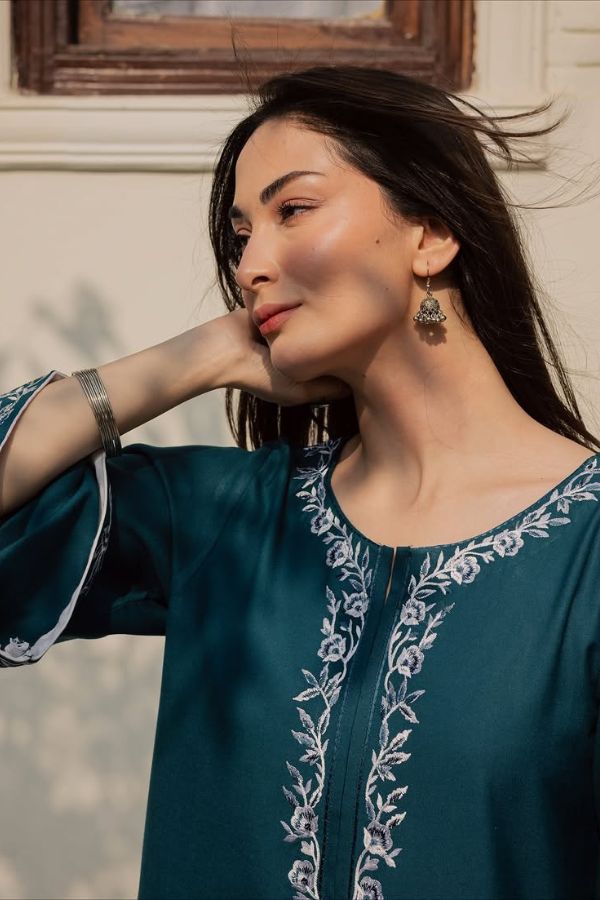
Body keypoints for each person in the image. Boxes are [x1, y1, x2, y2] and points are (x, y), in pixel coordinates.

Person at [1, 64, 599, 900]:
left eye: (293, 209)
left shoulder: (588, 551)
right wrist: (199, 358)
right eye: (241, 235)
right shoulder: (223, 521)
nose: (250, 265)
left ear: (431, 232)